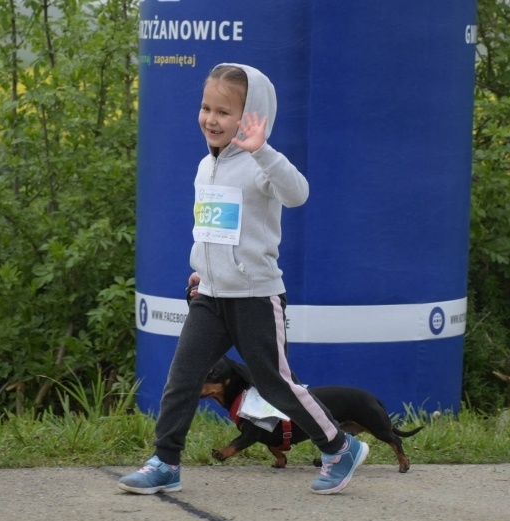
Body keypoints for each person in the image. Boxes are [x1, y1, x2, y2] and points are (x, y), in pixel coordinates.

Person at [118, 63, 368, 495]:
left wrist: (262, 151)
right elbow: (210, 228)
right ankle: (165, 461)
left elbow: (299, 193)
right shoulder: (204, 168)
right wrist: (201, 268)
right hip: (211, 297)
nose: (211, 119)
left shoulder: (260, 165)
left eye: (224, 112)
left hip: (255, 297)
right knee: (183, 377)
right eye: (205, 108)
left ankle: (339, 446)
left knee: (275, 384)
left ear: (251, 118)